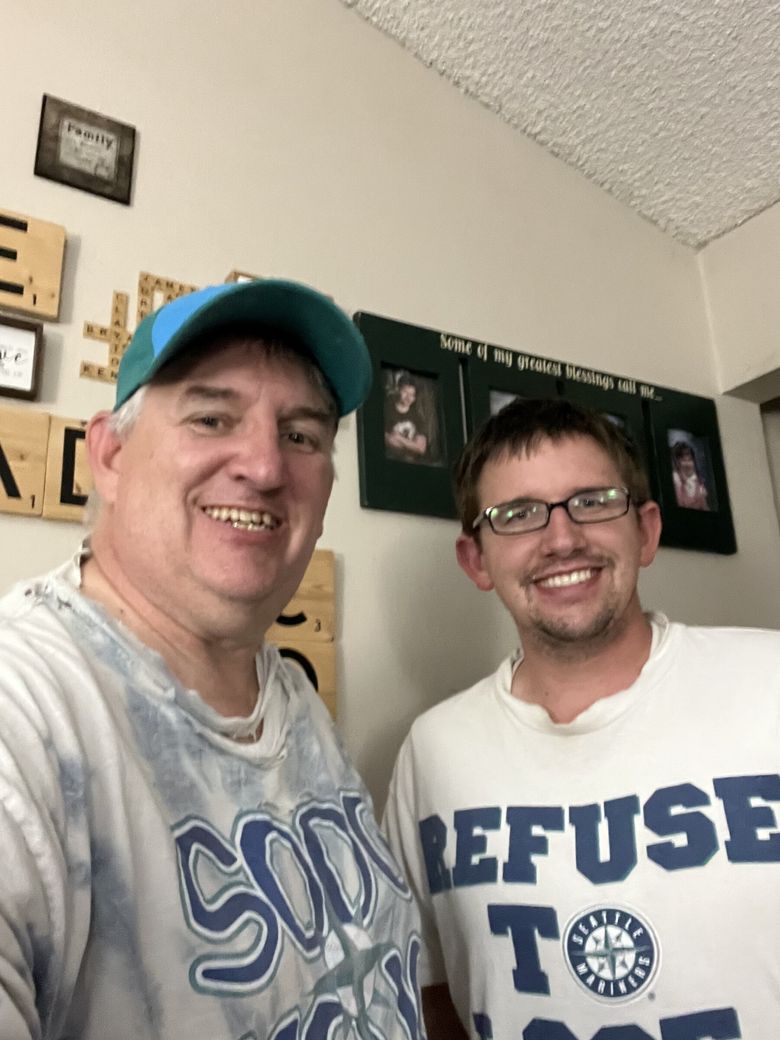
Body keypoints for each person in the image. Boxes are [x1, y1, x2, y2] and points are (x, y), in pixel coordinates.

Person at [0, 280, 425, 1040]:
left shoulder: (288, 695)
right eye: (211, 418)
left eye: (302, 435)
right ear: (111, 455)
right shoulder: (25, 708)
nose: (265, 466)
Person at [384, 397, 780, 1039]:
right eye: (518, 515)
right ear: (476, 560)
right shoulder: (432, 753)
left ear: (645, 531)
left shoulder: (769, 683)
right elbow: (426, 986)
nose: (563, 539)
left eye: (593, 502)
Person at [384, 371, 435, 464]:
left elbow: (421, 448)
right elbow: (387, 440)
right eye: (405, 392)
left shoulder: (417, 417)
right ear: (398, 390)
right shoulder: (387, 410)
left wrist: (398, 438)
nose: (408, 398)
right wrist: (412, 446)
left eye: (412, 395)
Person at [671, 440, 710, 510]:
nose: (688, 464)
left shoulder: (699, 482)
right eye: (684, 460)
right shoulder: (675, 479)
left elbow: (705, 507)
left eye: (690, 460)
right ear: (677, 462)